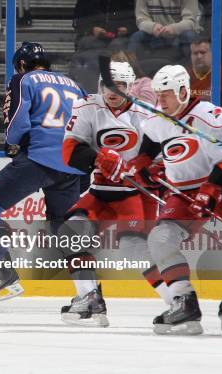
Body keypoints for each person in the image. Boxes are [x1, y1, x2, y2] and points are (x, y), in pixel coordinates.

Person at [60, 61, 171, 327]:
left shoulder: (148, 114)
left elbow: (164, 153)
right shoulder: (87, 107)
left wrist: (153, 170)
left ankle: (178, 300)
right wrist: (99, 159)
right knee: (70, 232)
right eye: (109, 84)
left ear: (130, 86)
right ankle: (89, 298)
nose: (114, 90)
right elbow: (69, 151)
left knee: (135, 250)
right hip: (100, 191)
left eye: (121, 84)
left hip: (133, 193)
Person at [0, 42, 86, 298]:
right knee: (64, 227)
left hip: (39, 158)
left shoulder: (23, 79)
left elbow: (16, 125)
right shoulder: (76, 85)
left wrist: (13, 143)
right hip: (73, 165)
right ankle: (88, 292)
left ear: (21, 64)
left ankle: (5, 274)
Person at [121, 65, 222, 334]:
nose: (160, 101)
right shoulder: (158, 120)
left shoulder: (210, 117)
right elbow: (152, 145)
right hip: (183, 193)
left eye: (166, 95)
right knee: (160, 238)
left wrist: (212, 189)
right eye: (158, 95)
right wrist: (143, 164)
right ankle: (184, 302)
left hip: (221, 184)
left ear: (183, 90)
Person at [128, 0, 201, 61]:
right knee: (137, 36)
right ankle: (130, 71)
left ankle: (191, 72)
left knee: (189, 36)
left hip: (179, 34)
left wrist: (174, 29)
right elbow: (141, 20)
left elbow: (190, 21)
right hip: (155, 34)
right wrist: (152, 27)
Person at [186, 36, 222, 107]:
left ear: (212, 54)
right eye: (195, 53)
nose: (199, 56)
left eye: (203, 52)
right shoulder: (183, 74)